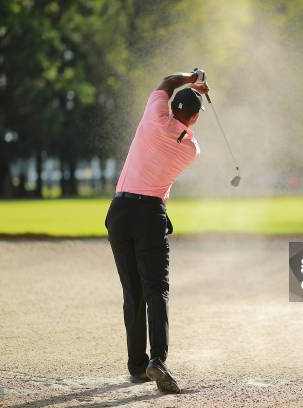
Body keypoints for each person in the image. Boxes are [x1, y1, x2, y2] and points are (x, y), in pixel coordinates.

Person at [105, 69, 209, 394]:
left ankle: (136, 365)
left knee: (132, 292)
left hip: (119, 211)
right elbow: (182, 131)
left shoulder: (153, 114)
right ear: (192, 118)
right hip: (150, 213)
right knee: (156, 290)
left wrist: (191, 78)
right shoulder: (191, 148)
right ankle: (157, 360)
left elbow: (165, 82)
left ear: (170, 105)